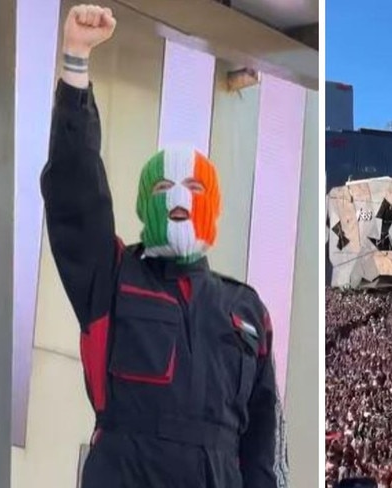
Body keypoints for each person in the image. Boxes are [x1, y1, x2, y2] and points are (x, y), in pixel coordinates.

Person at [41, 5, 287, 487]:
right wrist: (75, 62)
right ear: (143, 204)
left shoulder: (248, 310)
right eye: (162, 189)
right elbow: (75, 194)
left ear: (212, 208)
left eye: (195, 189)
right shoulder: (111, 277)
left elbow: (263, 439)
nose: (178, 198)